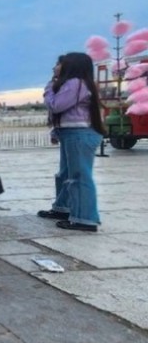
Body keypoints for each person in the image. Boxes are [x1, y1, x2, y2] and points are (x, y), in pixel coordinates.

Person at [38, 52, 105, 232]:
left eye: (59, 64)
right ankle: (63, 208)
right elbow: (67, 112)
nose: (55, 67)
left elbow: (56, 105)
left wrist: (49, 87)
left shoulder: (76, 83)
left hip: (79, 134)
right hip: (72, 132)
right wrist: (57, 130)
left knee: (79, 176)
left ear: (71, 66)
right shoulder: (78, 84)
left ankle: (85, 218)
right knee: (66, 174)